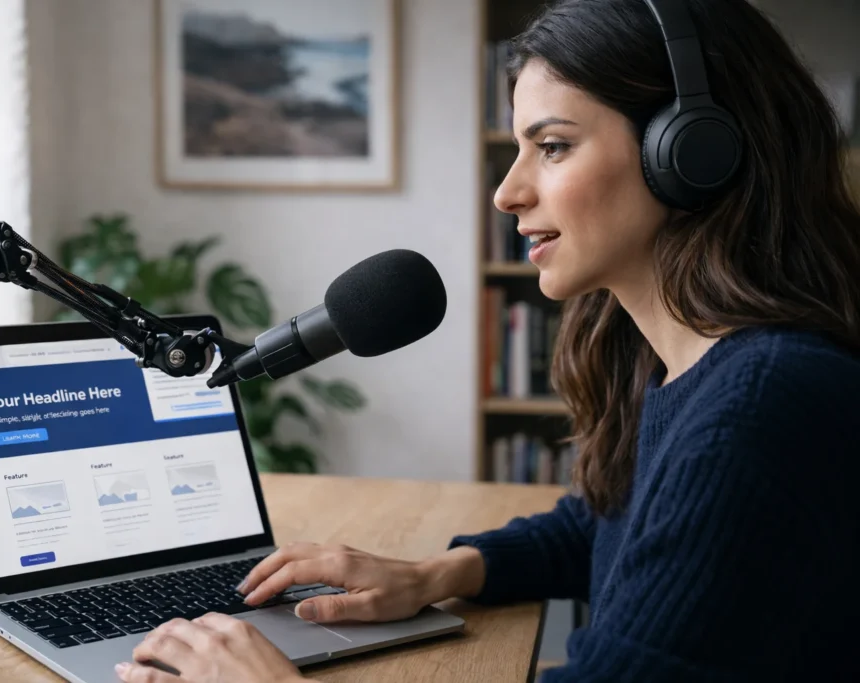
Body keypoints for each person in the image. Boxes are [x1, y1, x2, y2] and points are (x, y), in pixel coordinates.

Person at [114, 0, 860, 681]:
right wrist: (440, 572)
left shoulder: (762, 408)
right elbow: (608, 526)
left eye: (554, 146)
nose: (508, 191)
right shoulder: (680, 361)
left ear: (692, 152)